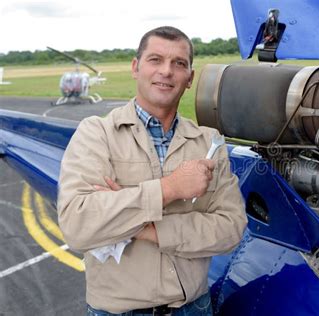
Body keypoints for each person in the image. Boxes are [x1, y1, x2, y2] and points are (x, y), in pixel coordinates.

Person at [57, 26, 247, 315]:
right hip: (118, 311)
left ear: (189, 79)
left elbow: (231, 228)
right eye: (155, 59)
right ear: (136, 67)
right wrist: (170, 188)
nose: (167, 71)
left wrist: (147, 228)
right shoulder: (97, 133)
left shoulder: (208, 143)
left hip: (193, 307)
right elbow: (77, 224)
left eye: (179, 63)